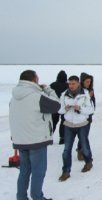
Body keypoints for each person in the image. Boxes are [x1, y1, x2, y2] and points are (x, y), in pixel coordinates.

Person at [9, 70, 60, 200]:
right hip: (36, 141)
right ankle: (37, 197)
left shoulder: (14, 97)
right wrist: (48, 89)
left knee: (24, 171)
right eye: (37, 78)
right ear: (33, 80)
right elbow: (56, 105)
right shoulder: (37, 96)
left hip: (21, 141)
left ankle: (21, 197)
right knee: (38, 172)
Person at [58, 75, 94, 182]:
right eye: (69, 83)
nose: (71, 86)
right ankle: (66, 171)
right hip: (69, 124)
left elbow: (91, 110)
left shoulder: (85, 94)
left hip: (82, 124)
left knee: (84, 146)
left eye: (73, 83)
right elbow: (59, 110)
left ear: (78, 83)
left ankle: (88, 162)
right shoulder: (64, 94)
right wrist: (65, 108)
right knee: (66, 150)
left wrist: (80, 108)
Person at [76, 73, 96, 161]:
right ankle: (81, 151)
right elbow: (77, 103)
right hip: (80, 117)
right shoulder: (78, 90)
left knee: (84, 135)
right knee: (82, 136)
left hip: (88, 116)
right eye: (87, 82)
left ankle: (81, 151)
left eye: (90, 82)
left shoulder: (90, 90)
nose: (88, 83)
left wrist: (92, 110)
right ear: (82, 81)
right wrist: (88, 97)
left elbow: (93, 103)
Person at [50, 70, 68, 144]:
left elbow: (48, 94)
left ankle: (49, 138)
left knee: (53, 123)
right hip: (64, 106)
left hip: (54, 106)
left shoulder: (52, 85)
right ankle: (62, 139)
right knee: (63, 123)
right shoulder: (67, 85)